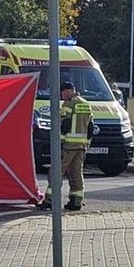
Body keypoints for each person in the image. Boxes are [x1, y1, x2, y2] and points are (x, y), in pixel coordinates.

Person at [37, 81, 94, 211]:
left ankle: (50, 201)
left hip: (68, 145)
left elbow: (65, 124)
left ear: (67, 91)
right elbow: (91, 127)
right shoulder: (86, 104)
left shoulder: (69, 103)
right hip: (81, 146)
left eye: (62, 93)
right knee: (76, 173)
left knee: (55, 172)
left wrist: (60, 141)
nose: (62, 96)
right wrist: (86, 142)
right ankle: (76, 201)